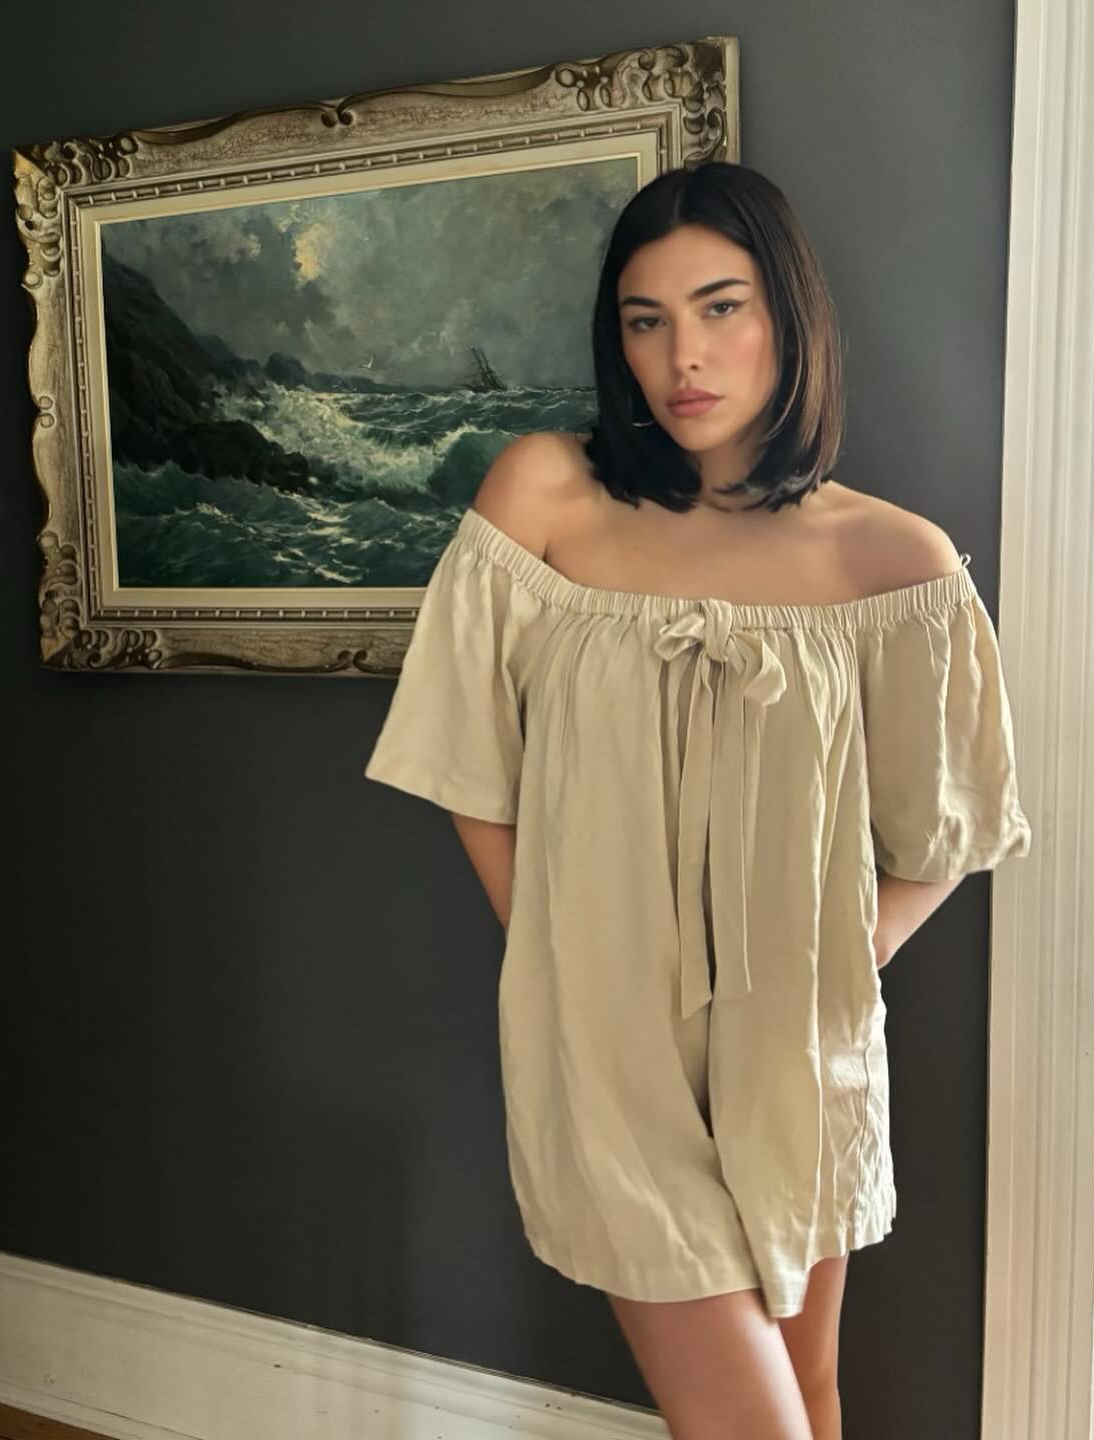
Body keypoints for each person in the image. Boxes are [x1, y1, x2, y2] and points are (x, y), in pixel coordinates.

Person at [362, 161, 1031, 1440]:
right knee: (749, 1421)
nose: (684, 357)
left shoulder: (890, 560)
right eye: (646, 319)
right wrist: (560, 959)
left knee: (810, 1392)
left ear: (789, 313)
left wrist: (845, 958)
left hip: (802, 1041)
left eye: (722, 307)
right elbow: (465, 759)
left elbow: (951, 825)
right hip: (606, 1032)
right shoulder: (545, 494)